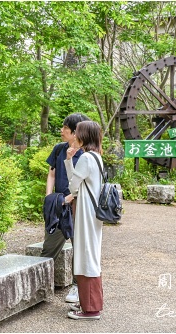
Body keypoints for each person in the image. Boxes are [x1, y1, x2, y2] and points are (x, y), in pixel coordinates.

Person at [43, 113, 90, 305]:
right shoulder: (59, 149)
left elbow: (86, 183)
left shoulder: (87, 154)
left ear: (75, 132)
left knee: (79, 248)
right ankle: (39, 281)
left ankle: (77, 286)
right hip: (58, 206)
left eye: (65, 128)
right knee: (49, 246)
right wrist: (49, 198)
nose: (61, 131)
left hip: (78, 207)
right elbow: (52, 174)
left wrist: (69, 199)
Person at [64, 120, 105, 320]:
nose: (75, 137)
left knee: (86, 254)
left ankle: (91, 310)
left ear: (84, 136)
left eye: (78, 133)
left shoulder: (86, 158)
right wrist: (70, 160)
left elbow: (73, 187)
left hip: (86, 212)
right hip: (93, 212)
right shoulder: (97, 157)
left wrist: (69, 161)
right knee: (90, 253)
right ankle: (88, 303)